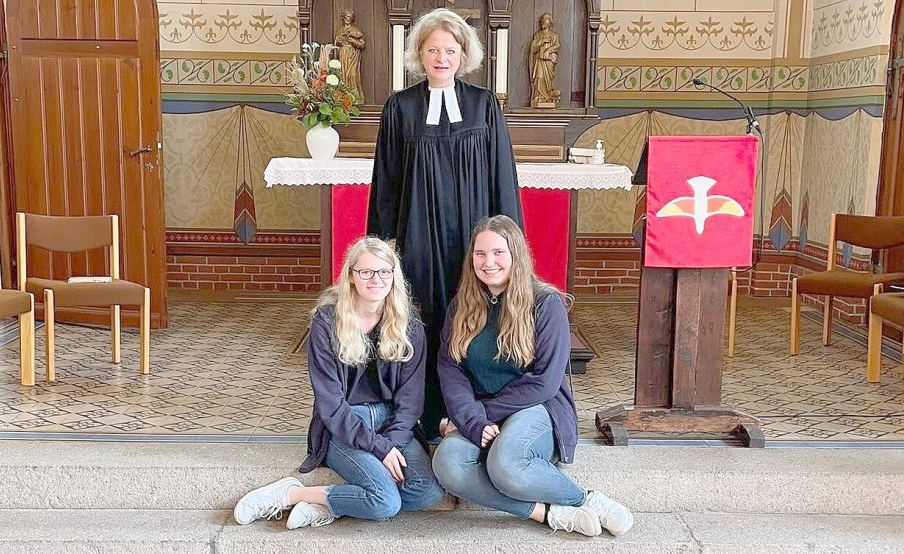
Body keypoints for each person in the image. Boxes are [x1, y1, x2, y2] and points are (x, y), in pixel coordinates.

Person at [368, 8, 523, 438]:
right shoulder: (399, 108)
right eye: (433, 49)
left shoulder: (483, 105)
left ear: (464, 54)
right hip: (418, 234)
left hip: (475, 240)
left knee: (472, 318)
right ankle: (420, 416)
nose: (441, 58)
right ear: (419, 54)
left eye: (450, 50)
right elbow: (386, 182)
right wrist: (382, 250)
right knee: (422, 318)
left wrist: (507, 243)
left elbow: (502, 177)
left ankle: (474, 413)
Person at [431, 215, 633, 537]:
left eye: (498, 252)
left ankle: (586, 499)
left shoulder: (545, 302)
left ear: (516, 255)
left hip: (537, 407)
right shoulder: (463, 305)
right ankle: (549, 513)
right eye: (480, 254)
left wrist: (481, 415)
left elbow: (545, 381)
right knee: (448, 466)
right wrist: (471, 418)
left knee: (506, 465)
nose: (488, 262)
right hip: (479, 413)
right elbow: (450, 367)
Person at [233, 237, 444, 529]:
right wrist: (379, 448)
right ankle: (291, 493)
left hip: (391, 423)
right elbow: (330, 405)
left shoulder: (408, 324)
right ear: (351, 276)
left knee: (427, 491)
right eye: (366, 272)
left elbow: (411, 400)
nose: (376, 279)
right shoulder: (326, 321)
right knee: (385, 501)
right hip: (342, 424)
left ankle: (329, 503)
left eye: (385, 272)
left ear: (394, 277)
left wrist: (391, 442)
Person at [334, 8, 365, 101]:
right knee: (343, 74)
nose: (347, 19)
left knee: (352, 74)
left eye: (349, 18)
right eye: (346, 17)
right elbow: (336, 42)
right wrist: (338, 41)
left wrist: (354, 41)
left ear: (352, 19)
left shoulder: (355, 30)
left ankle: (355, 96)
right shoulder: (341, 30)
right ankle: (343, 96)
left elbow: (362, 44)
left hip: (352, 54)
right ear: (343, 18)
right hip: (343, 53)